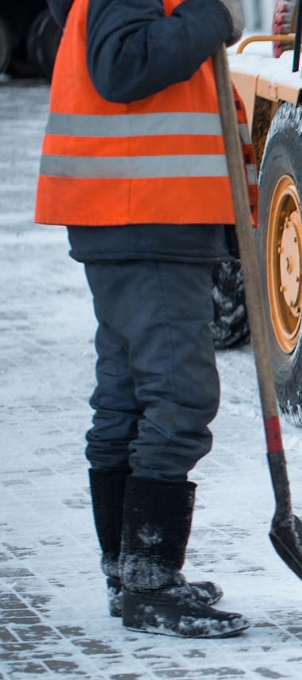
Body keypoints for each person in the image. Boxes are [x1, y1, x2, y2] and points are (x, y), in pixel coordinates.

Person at [35, 0, 251, 638]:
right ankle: (149, 586)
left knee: (128, 396)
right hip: (144, 214)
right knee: (179, 395)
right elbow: (122, 66)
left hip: (144, 215)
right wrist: (212, 18)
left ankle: (131, 571)